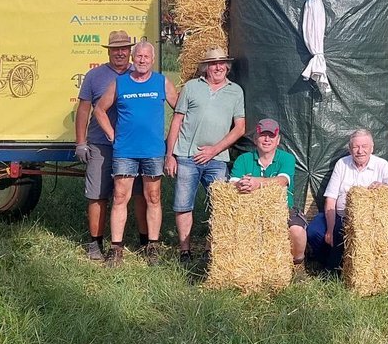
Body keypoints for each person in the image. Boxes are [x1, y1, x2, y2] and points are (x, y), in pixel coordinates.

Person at [93, 40, 178, 267]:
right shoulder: (120, 83)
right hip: (125, 151)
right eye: (138, 56)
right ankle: (116, 249)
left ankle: (153, 246)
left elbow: (180, 111)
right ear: (133, 58)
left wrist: (173, 143)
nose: (142, 60)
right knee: (120, 197)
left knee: (153, 197)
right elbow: (99, 109)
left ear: (153, 59)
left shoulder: (161, 82)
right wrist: (112, 134)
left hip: (153, 151)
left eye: (146, 57)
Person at [165, 46, 246, 265]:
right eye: (213, 64)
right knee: (183, 204)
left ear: (227, 67)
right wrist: (170, 155)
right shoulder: (191, 87)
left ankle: (212, 249)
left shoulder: (236, 91)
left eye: (221, 63)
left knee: (220, 204)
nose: (218, 67)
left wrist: (215, 149)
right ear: (206, 67)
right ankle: (185, 251)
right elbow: (177, 120)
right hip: (187, 155)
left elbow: (240, 128)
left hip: (217, 159)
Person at [73, 30, 148, 261]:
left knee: (140, 194)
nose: (120, 53)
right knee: (98, 194)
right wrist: (81, 143)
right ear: (109, 51)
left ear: (130, 51)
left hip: (134, 146)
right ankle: (95, 243)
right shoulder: (94, 76)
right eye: (116, 49)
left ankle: (145, 242)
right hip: (101, 144)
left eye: (124, 48)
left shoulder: (140, 74)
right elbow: (83, 110)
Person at [307, 129, 388, 270]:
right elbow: (331, 198)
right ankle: (327, 261)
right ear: (350, 149)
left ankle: (339, 267)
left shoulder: (382, 165)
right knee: (314, 231)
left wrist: (384, 186)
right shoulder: (342, 164)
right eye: (356, 147)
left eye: (364, 146)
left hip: (369, 221)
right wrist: (330, 229)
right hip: (341, 216)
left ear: (372, 148)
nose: (360, 151)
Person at [227, 118, 302, 272]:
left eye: (271, 136)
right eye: (263, 135)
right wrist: (241, 184)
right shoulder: (243, 159)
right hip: (247, 210)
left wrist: (257, 183)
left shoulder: (287, 158)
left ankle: (298, 263)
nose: (267, 139)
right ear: (255, 139)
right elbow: (232, 183)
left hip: (282, 209)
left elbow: (282, 181)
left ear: (278, 140)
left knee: (297, 231)